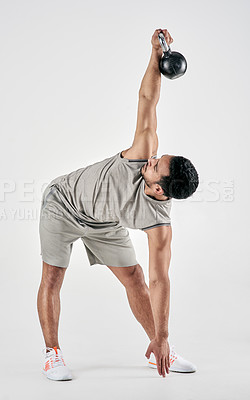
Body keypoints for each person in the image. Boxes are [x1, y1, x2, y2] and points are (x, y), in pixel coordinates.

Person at [37, 28, 199, 381]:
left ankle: (157, 346)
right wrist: (155, 55)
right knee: (53, 275)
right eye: (157, 158)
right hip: (63, 203)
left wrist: (165, 335)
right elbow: (147, 100)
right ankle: (52, 354)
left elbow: (161, 280)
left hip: (104, 221)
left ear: (161, 192)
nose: (150, 162)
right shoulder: (141, 154)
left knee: (136, 277)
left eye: (156, 167)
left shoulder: (159, 226)